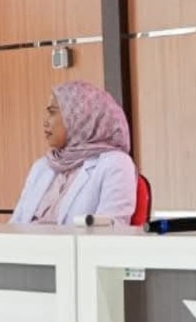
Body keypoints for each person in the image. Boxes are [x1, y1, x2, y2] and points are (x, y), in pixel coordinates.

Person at [10, 80, 137, 226]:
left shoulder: (116, 164)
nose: (45, 122)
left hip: (77, 242)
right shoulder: (43, 166)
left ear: (79, 115)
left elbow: (113, 228)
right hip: (27, 241)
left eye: (52, 112)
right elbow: (15, 224)